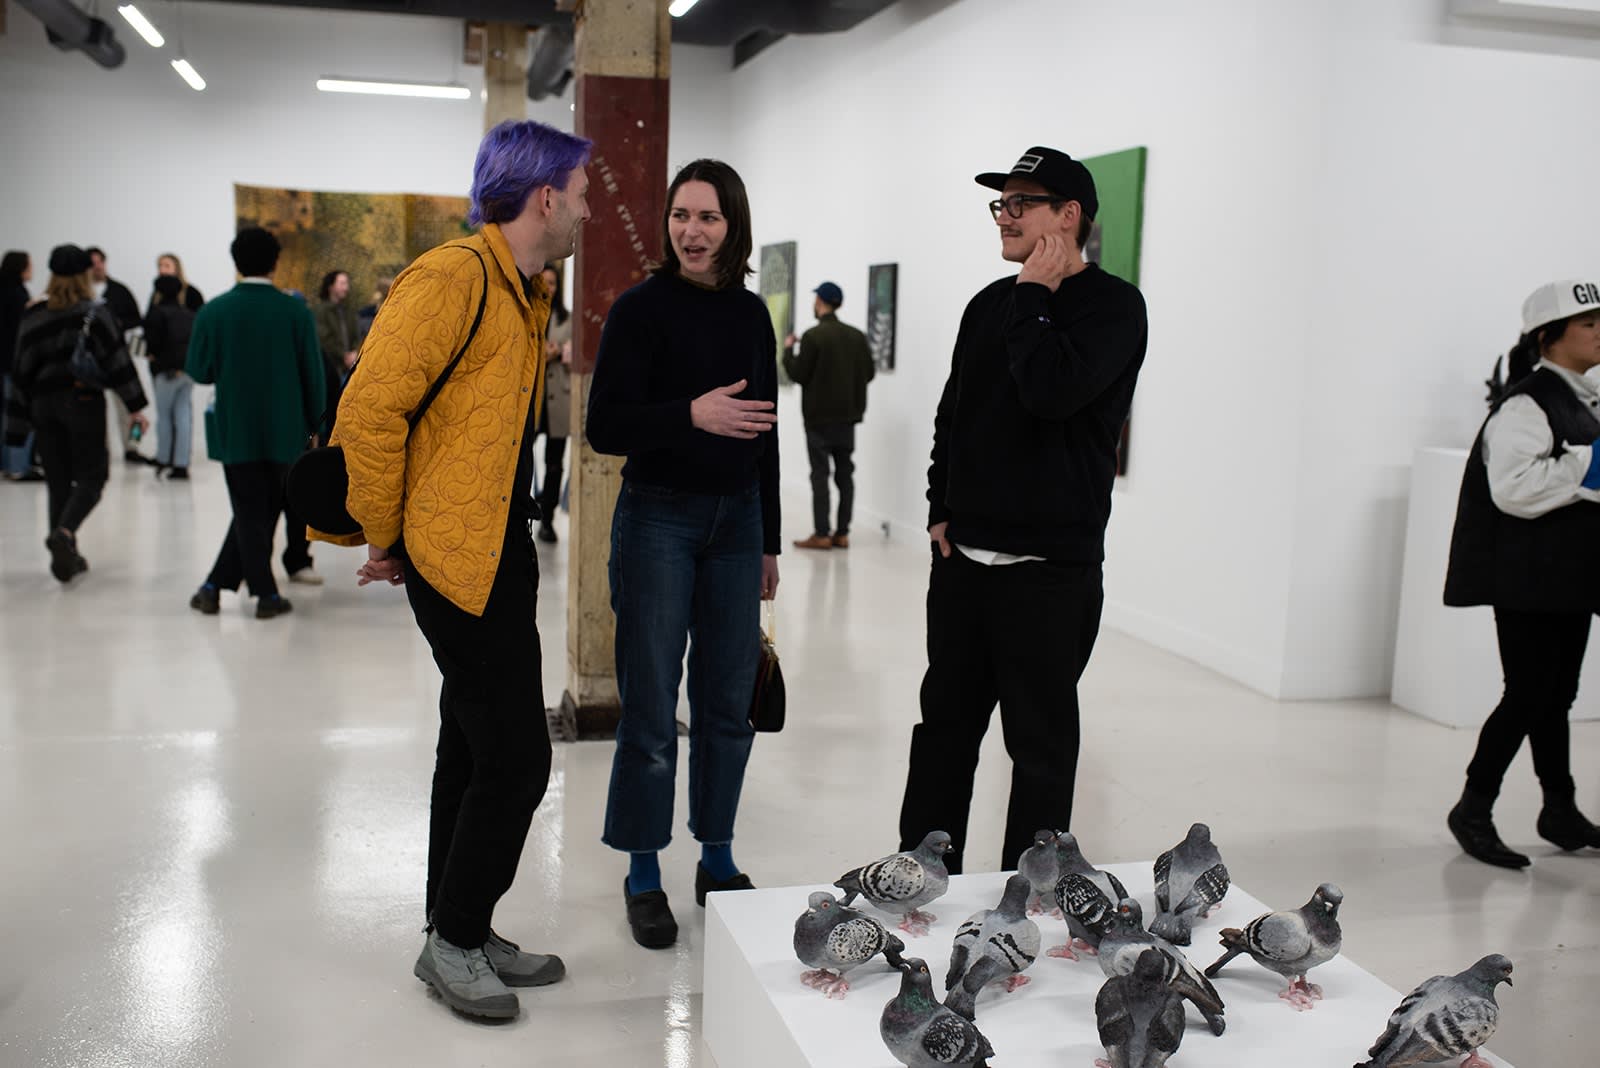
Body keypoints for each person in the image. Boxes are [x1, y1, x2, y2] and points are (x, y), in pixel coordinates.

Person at [317, 119, 590, 1020]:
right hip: (455, 557)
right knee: (516, 757)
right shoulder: (451, 278)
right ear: (546, 196)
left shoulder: (520, 291)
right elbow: (371, 413)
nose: (588, 209)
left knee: (470, 746)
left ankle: (457, 924)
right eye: (582, 193)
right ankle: (457, 940)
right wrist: (387, 532)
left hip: (495, 547)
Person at [897, 146, 1148, 874]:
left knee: (1038, 748)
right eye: (999, 205)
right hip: (964, 563)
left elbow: (1052, 392)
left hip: (1050, 574)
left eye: (1020, 204)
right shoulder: (987, 305)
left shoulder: (1114, 308)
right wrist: (940, 508)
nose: (1003, 217)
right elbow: (955, 414)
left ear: (1069, 216)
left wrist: (1035, 297)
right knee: (943, 730)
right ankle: (918, 875)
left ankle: (1025, 897)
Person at [587, 159, 781, 950]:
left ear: (732, 225)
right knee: (651, 708)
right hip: (658, 520)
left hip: (737, 524)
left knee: (729, 703)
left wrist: (769, 538)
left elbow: (766, 429)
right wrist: (690, 415)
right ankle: (642, 871)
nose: (692, 231)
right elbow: (606, 426)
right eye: (680, 216)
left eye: (707, 217)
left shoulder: (750, 315)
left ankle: (717, 858)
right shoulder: (640, 310)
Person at [1442, 279, 1600, 868]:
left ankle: (1560, 810)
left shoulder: (1584, 397)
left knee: (1557, 695)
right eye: (1588, 323)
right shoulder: (1527, 404)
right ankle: (1473, 809)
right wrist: (1587, 464)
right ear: (1549, 336)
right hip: (1528, 581)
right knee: (1529, 695)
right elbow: (1513, 491)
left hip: (1567, 580)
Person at [185, 228, 324, 619]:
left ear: (235, 263)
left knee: (251, 509)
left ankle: (214, 587)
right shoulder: (295, 311)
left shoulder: (214, 311)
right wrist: (316, 428)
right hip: (287, 431)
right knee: (262, 510)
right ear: (275, 263)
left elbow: (199, 370)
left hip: (237, 429)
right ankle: (263, 594)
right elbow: (312, 375)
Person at [4, 244, 149, 582]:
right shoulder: (94, 314)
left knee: (58, 481)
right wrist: (135, 407)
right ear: (86, 274)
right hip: (82, 404)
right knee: (92, 477)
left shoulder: (34, 314)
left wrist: (16, 424)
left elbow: (21, 369)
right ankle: (65, 534)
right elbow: (117, 362)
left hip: (43, 406)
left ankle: (65, 554)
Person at [782, 280, 875, 549]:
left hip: (818, 420)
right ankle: (842, 533)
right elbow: (868, 373)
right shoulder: (857, 337)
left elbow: (798, 373)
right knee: (845, 475)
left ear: (820, 302)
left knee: (820, 475)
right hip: (848, 419)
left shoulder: (813, 336)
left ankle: (821, 534)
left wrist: (789, 349)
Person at [87, 246, 150, 466]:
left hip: (117, 356)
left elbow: (136, 319)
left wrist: (118, 326)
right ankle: (98, 449)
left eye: (99, 262)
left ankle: (133, 446)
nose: (96, 267)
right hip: (90, 361)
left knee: (129, 405)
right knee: (94, 410)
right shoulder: (82, 294)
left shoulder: (119, 291)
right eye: (92, 263)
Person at [143, 273, 199, 479]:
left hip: (165, 371)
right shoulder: (189, 314)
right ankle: (181, 463)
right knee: (183, 415)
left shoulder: (156, 314)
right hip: (187, 370)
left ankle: (164, 458)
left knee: (164, 416)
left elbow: (152, 345)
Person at [535, 263, 571, 543]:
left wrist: (559, 352)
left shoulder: (567, 319)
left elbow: (578, 352)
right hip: (532, 399)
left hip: (559, 399)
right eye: (545, 282)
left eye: (554, 283)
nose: (549, 288)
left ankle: (547, 519)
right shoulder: (527, 313)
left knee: (555, 464)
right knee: (522, 457)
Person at [1, 250, 44, 480]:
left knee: (7, 415)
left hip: (5, 362)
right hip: (16, 363)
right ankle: (19, 466)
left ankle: (9, 464)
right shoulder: (18, 296)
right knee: (21, 413)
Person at [313, 269, 358, 438]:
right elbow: (324, 338)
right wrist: (344, 355)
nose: (346, 287)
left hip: (349, 366)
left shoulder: (348, 311)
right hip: (333, 368)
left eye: (347, 283)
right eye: (342, 283)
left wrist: (354, 352)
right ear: (331, 286)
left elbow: (356, 335)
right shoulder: (321, 311)